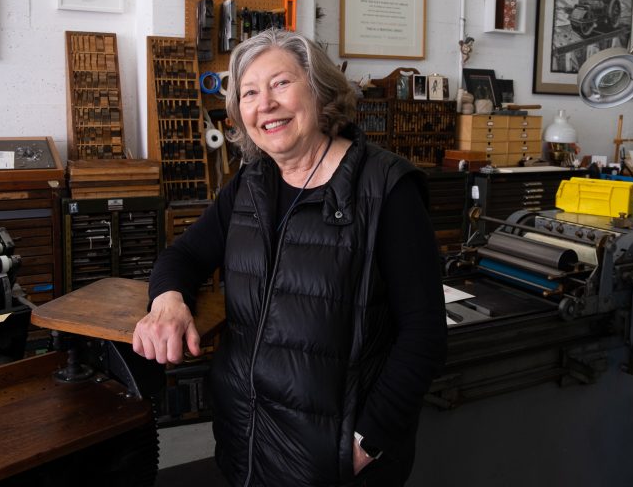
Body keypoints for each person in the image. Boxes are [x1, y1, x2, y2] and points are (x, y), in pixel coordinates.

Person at [133, 29, 447, 487]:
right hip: (246, 443)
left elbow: (424, 337)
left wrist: (365, 443)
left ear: (319, 91)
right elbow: (183, 254)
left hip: (337, 463)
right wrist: (167, 301)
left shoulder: (386, 189)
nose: (265, 104)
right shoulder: (249, 185)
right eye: (249, 93)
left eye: (281, 83)